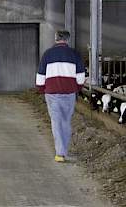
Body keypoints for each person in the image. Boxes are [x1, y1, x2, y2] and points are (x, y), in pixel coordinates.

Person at [36, 30, 85, 162]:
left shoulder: (47, 54)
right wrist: (77, 88)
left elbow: (41, 75)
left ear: (56, 39)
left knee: (56, 122)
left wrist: (41, 88)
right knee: (66, 121)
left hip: (52, 93)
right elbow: (81, 76)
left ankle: (60, 153)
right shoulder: (75, 54)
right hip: (69, 93)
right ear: (67, 40)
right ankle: (63, 151)